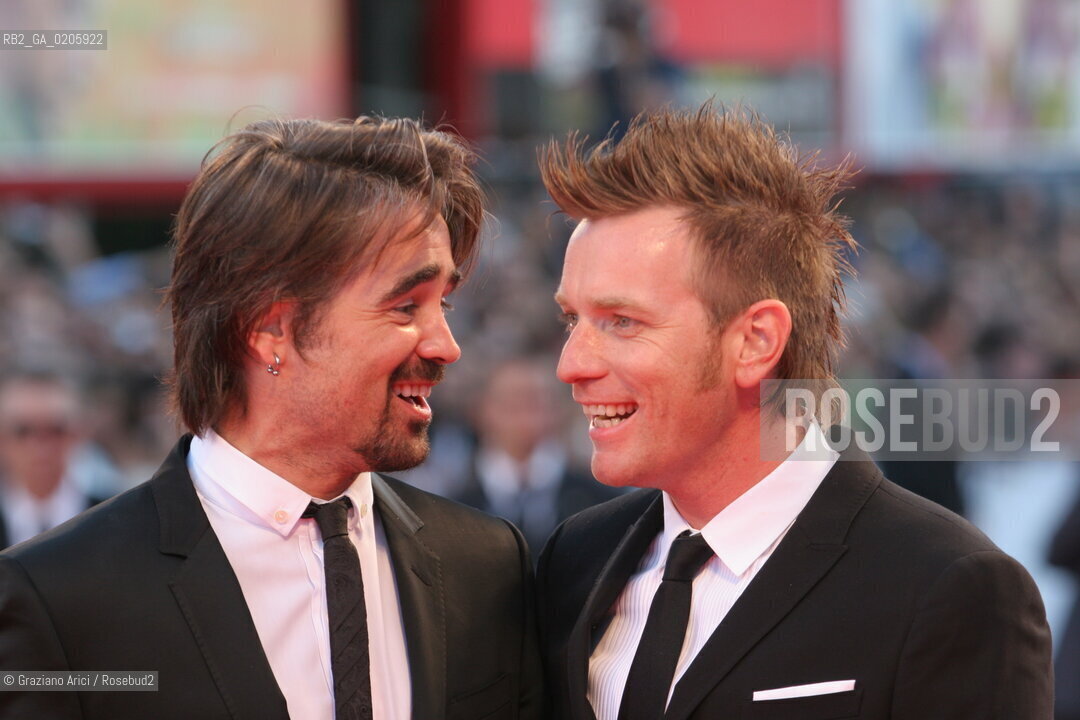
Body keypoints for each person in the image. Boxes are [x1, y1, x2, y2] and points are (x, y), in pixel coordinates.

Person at [0, 116, 543, 720]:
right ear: (269, 330)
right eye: (405, 305)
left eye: (442, 303)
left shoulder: (485, 565)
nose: (447, 344)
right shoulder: (63, 597)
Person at [535, 104, 1052, 719]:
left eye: (622, 321)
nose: (572, 363)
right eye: (573, 319)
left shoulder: (948, 586)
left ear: (755, 340)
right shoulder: (577, 558)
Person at [453, 356, 619, 558]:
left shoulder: (601, 502)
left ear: (558, 409)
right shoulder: (455, 508)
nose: (523, 416)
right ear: (483, 410)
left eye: (534, 401)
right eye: (512, 403)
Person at [0, 371, 108, 548]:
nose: (40, 446)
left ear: (77, 435)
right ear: (3, 439)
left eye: (56, 430)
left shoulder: (110, 519)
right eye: (23, 431)